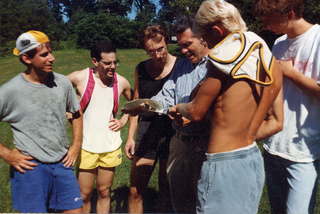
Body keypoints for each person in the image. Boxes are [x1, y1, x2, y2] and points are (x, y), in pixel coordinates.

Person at [168, 1, 283, 213]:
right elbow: (277, 122)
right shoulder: (265, 54)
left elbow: (196, 110)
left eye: (204, 36)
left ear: (216, 30)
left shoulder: (221, 60)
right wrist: (244, 136)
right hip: (251, 158)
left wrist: (178, 108)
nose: (205, 42)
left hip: (223, 164)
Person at [123, 16, 211, 213]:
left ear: (202, 38)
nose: (184, 50)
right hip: (176, 138)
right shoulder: (182, 67)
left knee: (196, 197)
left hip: (201, 142)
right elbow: (166, 95)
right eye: (181, 46)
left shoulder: (214, 66)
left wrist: (187, 112)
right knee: (176, 195)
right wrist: (144, 105)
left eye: (188, 44)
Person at [0, 30, 83, 213]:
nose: (52, 58)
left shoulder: (62, 83)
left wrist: (76, 146)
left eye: (51, 52)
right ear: (27, 59)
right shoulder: (10, 91)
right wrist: (7, 154)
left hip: (63, 163)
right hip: (31, 168)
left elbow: (76, 114)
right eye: (44, 55)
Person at [254, 0, 320, 213]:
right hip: (274, 144)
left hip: (304, 152)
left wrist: (290, 72)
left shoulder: (317, 39)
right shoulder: (279, 43)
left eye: (269, 19)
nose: (264, 25)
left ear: (290, 13)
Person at [68, 40, 132, 214]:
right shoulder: (80, 77)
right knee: (84, 194)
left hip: (109, 146)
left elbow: (134, 103)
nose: (112, 66)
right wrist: (67, 111)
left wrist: (124, 119)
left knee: (104, 191)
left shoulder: (121, 82)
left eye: (114, 62)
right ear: (95, 62)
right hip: (86, 146)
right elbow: (57, 91)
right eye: (107, 63)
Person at [124, 25, 176, 214]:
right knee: (135, 189)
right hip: (147, 133)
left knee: (166, 189)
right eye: (150, 51)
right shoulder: (142, 69)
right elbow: (136, 105)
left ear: (166, 42)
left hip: (173, 133)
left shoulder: (181, 66)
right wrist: (131, 137)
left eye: (160, 48)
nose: (157, 55)